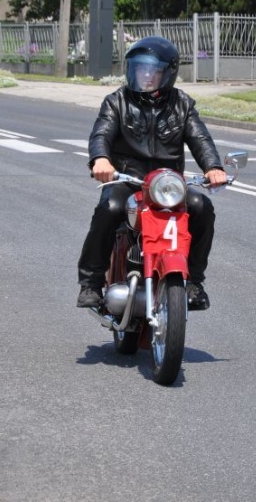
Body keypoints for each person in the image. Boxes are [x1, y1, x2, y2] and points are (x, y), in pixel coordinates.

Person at [77, 36, 228, 311]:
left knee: (202, 207)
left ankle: (194, 282)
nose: (146, 75)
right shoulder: (117, 101)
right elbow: (101, 133)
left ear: (168, 73)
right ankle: (91, 283)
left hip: (167, 185)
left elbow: (200, 139)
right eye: (140, 68)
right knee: (110, 209)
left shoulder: (182, 104)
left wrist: (213, 167)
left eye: (153, 70)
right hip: (128, 179)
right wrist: (100, 159)